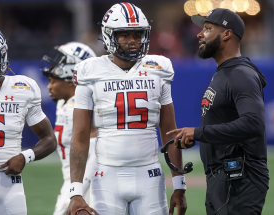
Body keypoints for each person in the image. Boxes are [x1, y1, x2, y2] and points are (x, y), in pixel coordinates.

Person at [66, 3, 187, 215]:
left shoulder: (158, 69)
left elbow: (170, 132)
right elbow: (80, 136)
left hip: (149, 174)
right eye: (125, 35)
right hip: (107, 176)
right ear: (109, 36)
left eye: (137, 34)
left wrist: (179, 185)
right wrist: (76, 191)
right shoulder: (90, 71)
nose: (133, 41)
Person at [167, 9, 269, 215]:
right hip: (225, 178)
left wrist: (198, 133)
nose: (199, 34)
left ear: (227, 34)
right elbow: (227, 124)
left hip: (239, 178)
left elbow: (253, 123)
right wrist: (199, 138)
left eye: (207, 28)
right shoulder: (225, 72)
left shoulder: (240, 74)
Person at [0, 25, 57, 215]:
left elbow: (49, 139)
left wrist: (24, 157)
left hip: (9, 185)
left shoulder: (22, 88)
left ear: (2, 55)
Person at [40, 42, 97, 215]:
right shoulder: (65, 102)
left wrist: (75, 192)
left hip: (87, 186)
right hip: (72, 183)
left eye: (62, 62)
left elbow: (96, 151)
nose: (49, 85)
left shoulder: (80, 107)